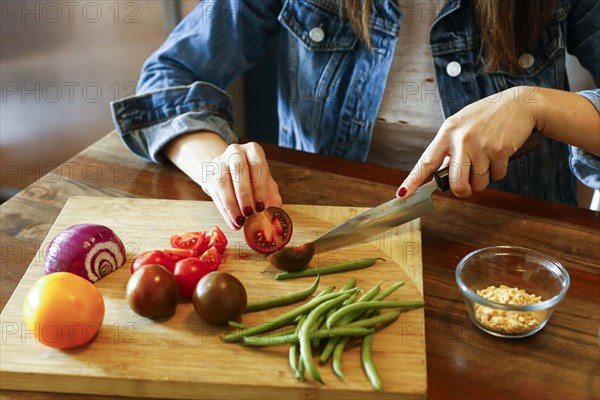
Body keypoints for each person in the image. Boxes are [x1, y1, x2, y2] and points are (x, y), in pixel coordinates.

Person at [111, 0, 599, 230]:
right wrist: (218, 166)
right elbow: (169, 76)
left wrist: (532, 104)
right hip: (320, 224)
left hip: (514, 238)